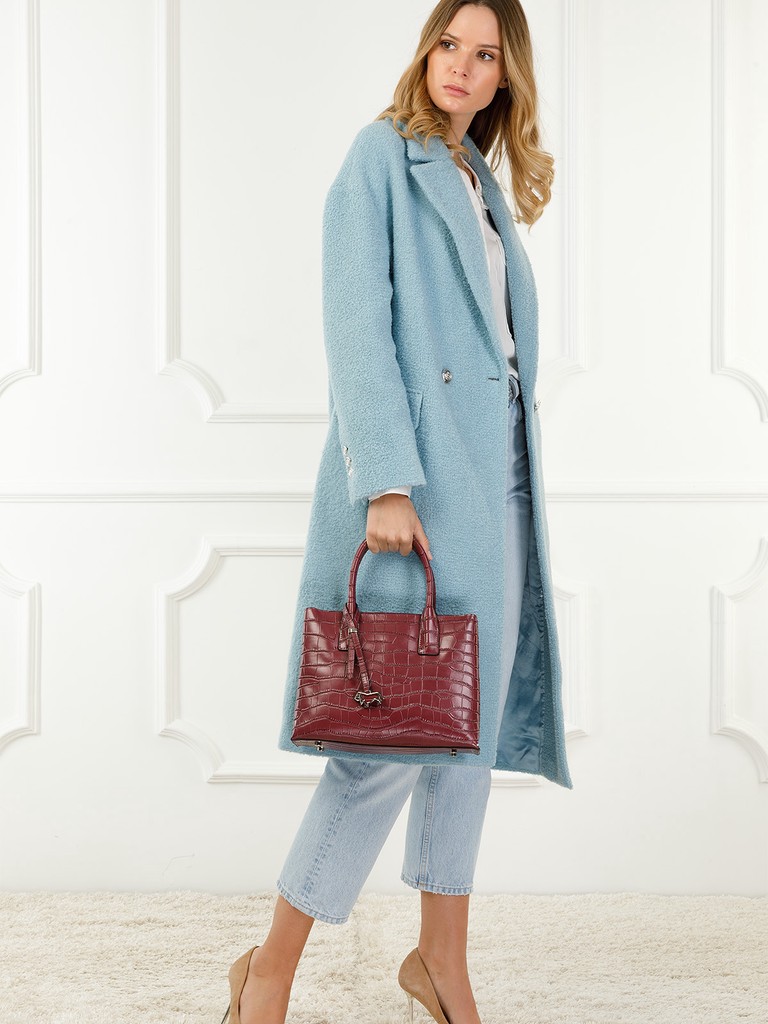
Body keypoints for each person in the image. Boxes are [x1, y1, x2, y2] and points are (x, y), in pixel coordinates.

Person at [221, 2, 573, 1022]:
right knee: (382, 744)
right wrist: (383, 477)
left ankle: (440, 963)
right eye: (448, 44)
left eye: (485, 54)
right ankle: (268, 971)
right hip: (422, 483)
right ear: (425, 53)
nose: (461, 66)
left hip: (502, 479)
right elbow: (355, 323)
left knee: (467, 731)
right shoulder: (380, 158)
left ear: (505, 77)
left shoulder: (477, 179)